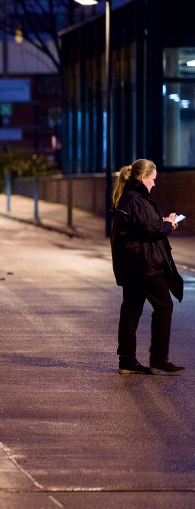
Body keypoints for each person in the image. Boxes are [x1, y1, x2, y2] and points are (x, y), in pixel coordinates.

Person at [111, 159, 185, 374]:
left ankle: (127, 361)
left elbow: (146, 225)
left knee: (131, 309)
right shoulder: (138, 198)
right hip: (144, 263)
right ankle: (159, 358)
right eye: (153, 179)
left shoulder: (129, 197)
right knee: (164, 305)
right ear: (143, 177)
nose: (154, 183)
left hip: (131, 263)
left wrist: (163, 222)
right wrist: (168, 224)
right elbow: (154, 230)